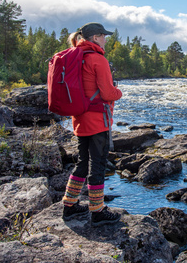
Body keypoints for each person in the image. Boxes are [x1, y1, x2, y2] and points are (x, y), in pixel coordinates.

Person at [61, 22, 123, 226]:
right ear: (95, 37)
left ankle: (69, 206)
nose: (106, 39)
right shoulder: (98, 59)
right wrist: (118, 92)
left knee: (82, 161)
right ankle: (97, 211)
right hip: (98, 121)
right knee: (97, 164)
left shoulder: (75, 57)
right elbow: (107, 93)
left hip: (79, 119)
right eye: (104, 36)